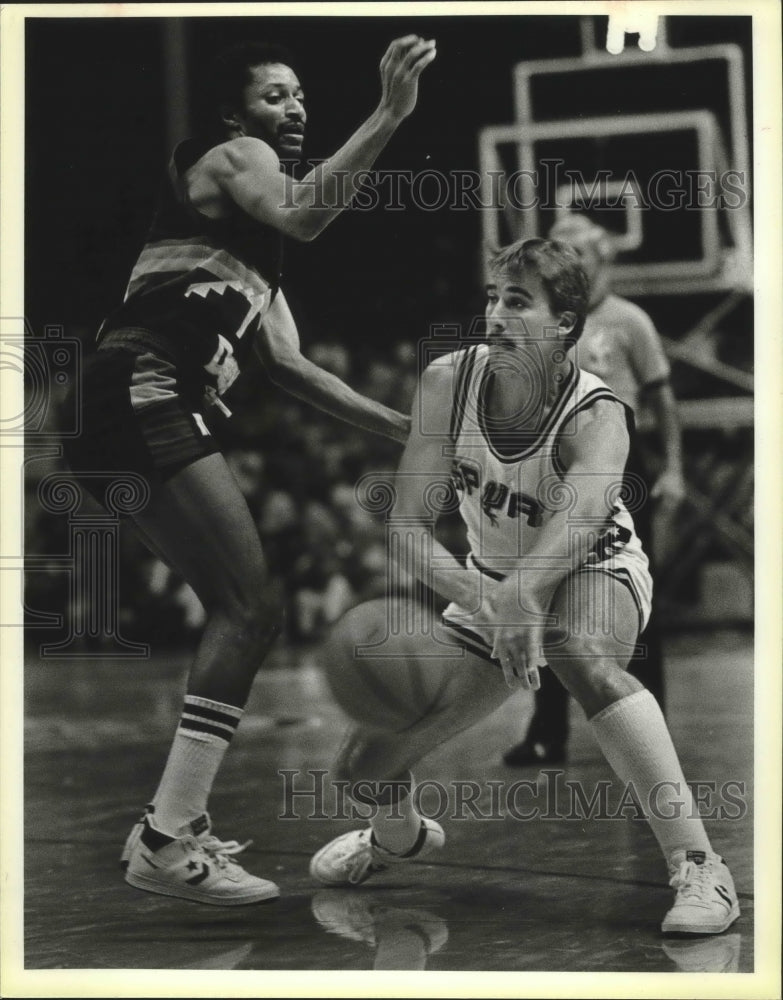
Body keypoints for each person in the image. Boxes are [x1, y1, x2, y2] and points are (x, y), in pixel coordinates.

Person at [61, 34, 436, 905]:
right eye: (274, 96)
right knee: (252, 607)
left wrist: (404, 429)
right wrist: (387, 113)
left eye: (301, 96)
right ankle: (164, 834)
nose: (294, 109)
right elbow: (306, 210)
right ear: (236, 118)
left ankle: (168, 831)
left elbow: (295, 370)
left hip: (119, 404)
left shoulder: (255, 262)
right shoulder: (233, 158)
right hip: (142, 386)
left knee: (243, 610)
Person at [309, 237, 739, 936]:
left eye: (517, 300)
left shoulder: (595, 414)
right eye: (491, 296)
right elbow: (407, 530)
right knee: (361, 768)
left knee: (575, 649)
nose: (496, 312)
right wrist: (491, 600)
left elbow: (583, 519)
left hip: (593, 568)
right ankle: (397, 838)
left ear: (564, 322)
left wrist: (523, 599)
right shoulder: (448, 382)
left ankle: (698, 866)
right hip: (490, 585)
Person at [503, 213, 684, 766]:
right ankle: (547, 731)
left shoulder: (629, 320)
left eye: (578, 252)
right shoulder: (543, 320)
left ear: (603, 258)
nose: (569, 261)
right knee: (549, 593)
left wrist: (674, 466)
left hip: (622, 466)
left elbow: (662, 400)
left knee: (627, 600)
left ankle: (644, 729)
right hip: (553, 466)